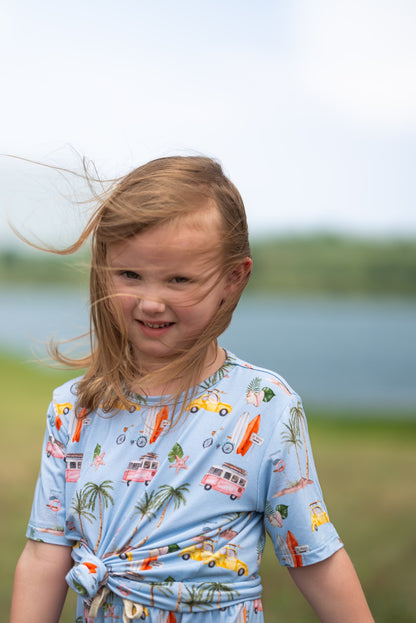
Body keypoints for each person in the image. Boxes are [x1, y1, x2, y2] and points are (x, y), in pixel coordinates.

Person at [10, 155, 374, 623]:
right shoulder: (74, 408)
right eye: (129, 275)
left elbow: (315, 555)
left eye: (179, 280)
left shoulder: (264, 407)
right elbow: (45, 556)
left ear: (232, 278)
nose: (151, 301)